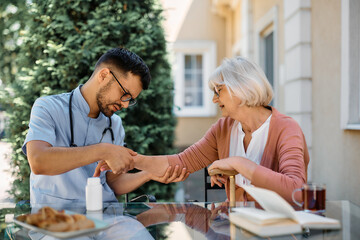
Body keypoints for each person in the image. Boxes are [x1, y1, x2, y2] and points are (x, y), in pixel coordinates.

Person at [95, 56, 309, 203]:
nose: (214, 99)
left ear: (242, 88)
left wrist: (237, 163)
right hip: (238, 229)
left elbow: (296, 191)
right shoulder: (223, 129)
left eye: (219, 90)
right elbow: (180, 162)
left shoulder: (285, 128)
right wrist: (132, 160)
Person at [22, 47, 187, 205]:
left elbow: (113, 182)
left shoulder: (114, 124)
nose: (125, 105)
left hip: (106, 218)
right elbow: (38, 161)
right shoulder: (47, 107)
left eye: (130, 100)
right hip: (56, 219)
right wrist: (103, 150)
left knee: (141, 235)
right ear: (104, 75)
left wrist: (148, 174)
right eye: (125, 94)